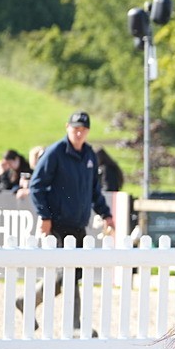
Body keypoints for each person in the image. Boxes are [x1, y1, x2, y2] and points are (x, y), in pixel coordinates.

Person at [18, 111, 115, 333]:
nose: (79, 132)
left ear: (88, 131)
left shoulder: (90, 155)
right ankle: (75, 327)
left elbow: (94, 191)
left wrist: (106, 213)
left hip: (78, 224)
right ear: (67, 127)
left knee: (71, 274)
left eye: (83, 129)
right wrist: (45, 216)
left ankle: (29, 301)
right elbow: (36, 186)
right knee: (70, 274)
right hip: (59, 223)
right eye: (75, 128)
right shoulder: (55, 153)